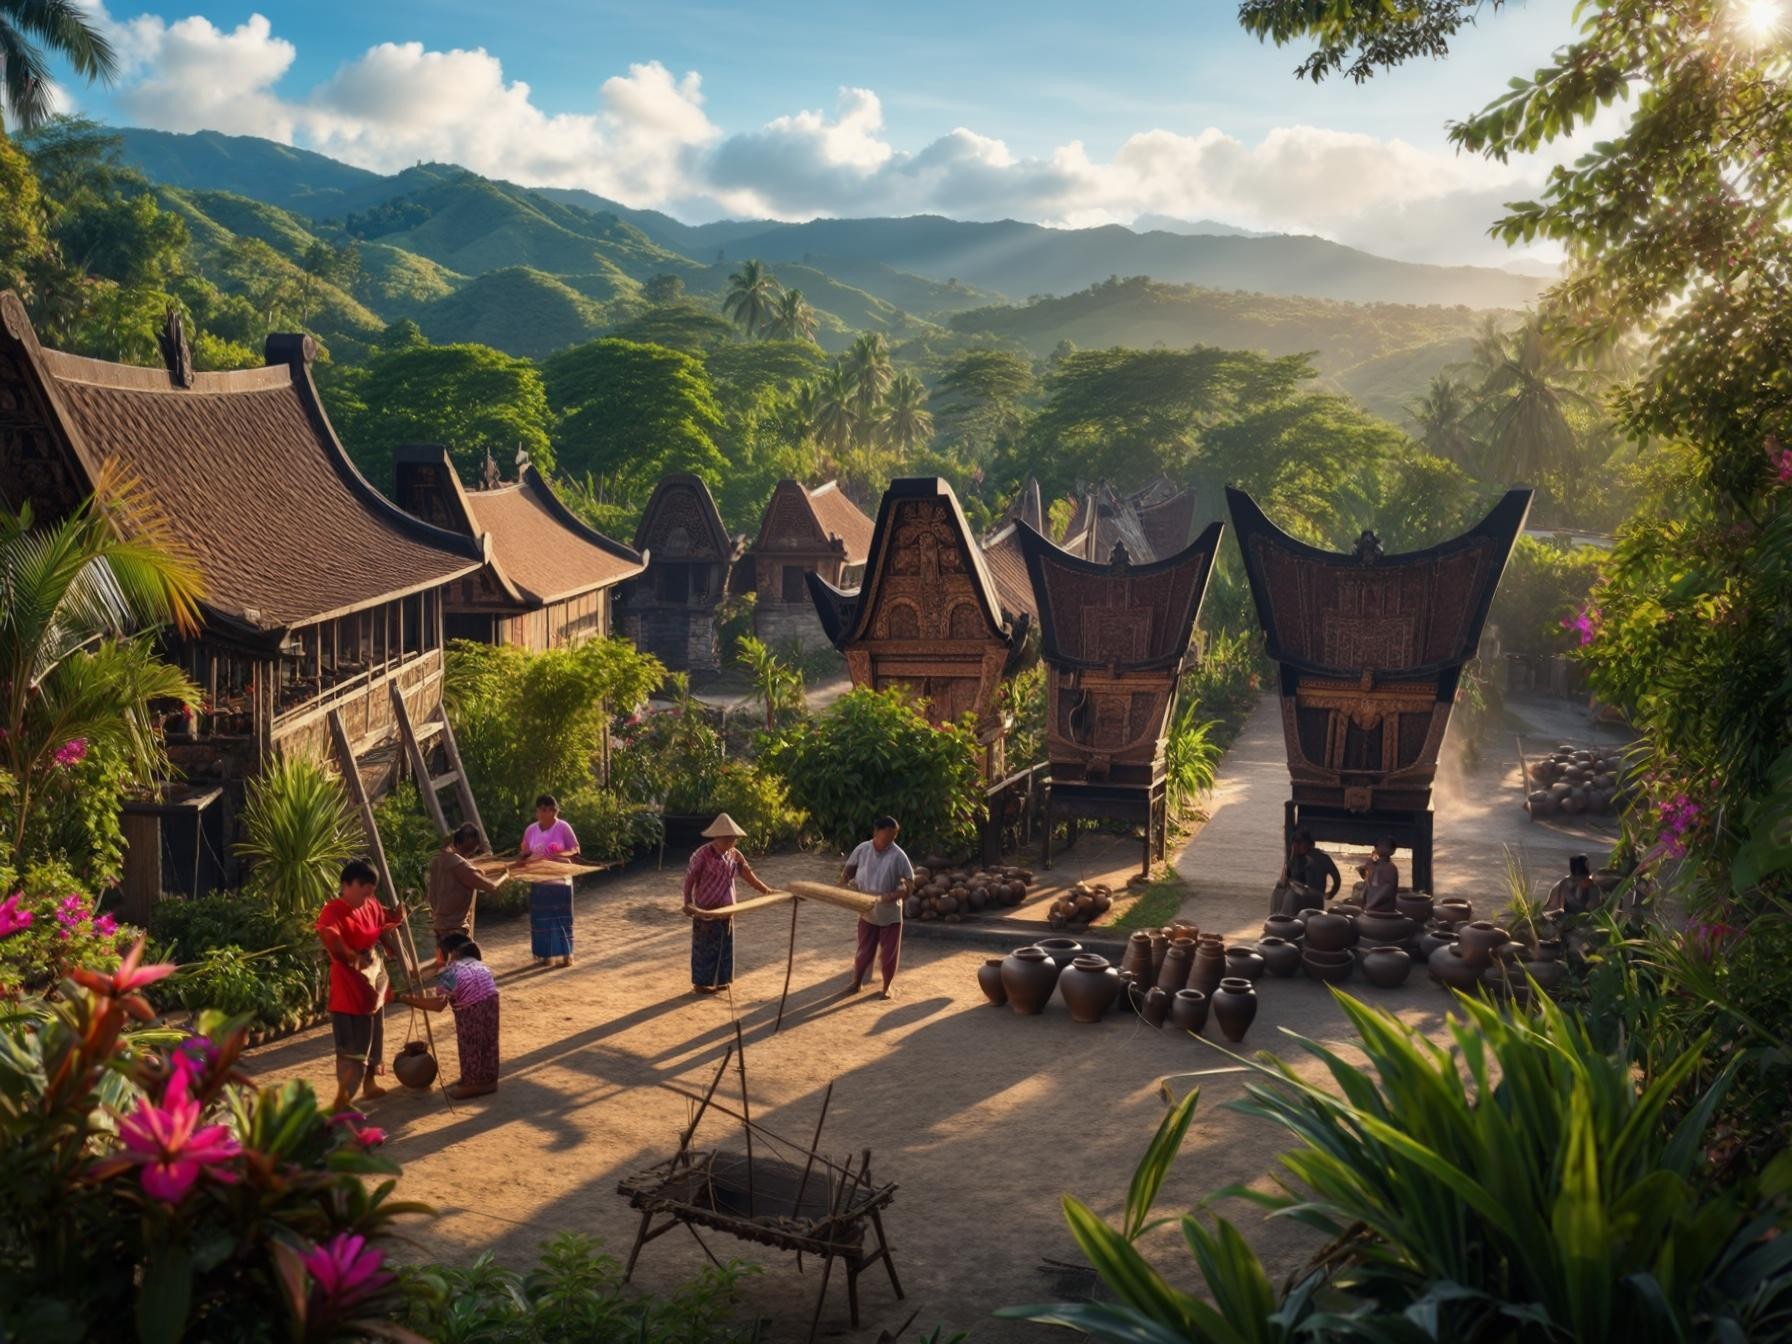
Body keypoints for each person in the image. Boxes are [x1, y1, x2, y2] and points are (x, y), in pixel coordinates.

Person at [315, 859, 406, 1112]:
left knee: (375, 1029)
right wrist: (351, 956)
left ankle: (369, 1080)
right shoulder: (332, 911)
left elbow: (382, 922)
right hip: (347, 983)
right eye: (363, 890)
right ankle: (344, 1097)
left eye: (371, 892)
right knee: (351, 1042)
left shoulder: (371, 904)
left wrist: (397, 917)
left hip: (372, 976)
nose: (367, 896)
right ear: (346, 885)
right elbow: (329, 934)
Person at [395, 933, 500, 1100]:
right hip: (490, 1004)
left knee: (470, 1045)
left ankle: (472, 1084)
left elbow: (438, 1005)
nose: (436, 957)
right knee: (488, 1043)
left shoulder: (451, 972)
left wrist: (406, 1000)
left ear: (449, 953)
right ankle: (488, 1080)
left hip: (470, 1011)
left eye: (437, 952)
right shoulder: (478, 964)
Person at [681, 813, 774, 994]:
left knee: (725, 947)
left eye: (733, 839)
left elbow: (747, 874)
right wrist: (687, 902)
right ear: (717, 837)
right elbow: (689, 878)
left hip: (727, 910)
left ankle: (722, 980)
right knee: (705, 948)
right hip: (706, 910)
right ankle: (701, 984)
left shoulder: (734, 855)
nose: (731, 842)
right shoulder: (702, 855)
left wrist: (766, 890)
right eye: (728, 838)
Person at [842, 816, 914, 1000]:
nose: (891, 839)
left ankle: (887, 987)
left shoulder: (898, 855)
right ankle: (856, 982)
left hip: (889, 912)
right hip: (866, 909)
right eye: (887, 834)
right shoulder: (863, 849)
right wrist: (841, 885)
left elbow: (910, 886)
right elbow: (849, 870)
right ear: (876, 832)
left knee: (889, 953)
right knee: (864, 950)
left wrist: (895, 894)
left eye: (894, 835)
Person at [426, 823, 506, 965]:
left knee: (448, 968)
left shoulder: (439, 859)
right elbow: (489, 886)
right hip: (453, 929)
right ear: (468, 839)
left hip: (440, 925)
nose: (476, 847)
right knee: (468, 965)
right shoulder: (458, 864)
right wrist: (504, 875)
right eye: (475, 842)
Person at [517, 794, 580, 967]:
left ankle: (567, 954)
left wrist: (558, 854)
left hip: (560, 879)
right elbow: (524, 850)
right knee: (542, 919)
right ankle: (546, 955)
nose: (542, 813)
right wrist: (522, 859)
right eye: (540, 810)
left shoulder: (563, 827)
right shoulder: (531, 830)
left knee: (562, 918)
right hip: (539, 880)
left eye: (546, 810)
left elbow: (575, 849)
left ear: (554, 811)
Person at [1274, 827, 1341, 915]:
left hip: (1312, 898)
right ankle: (1278, 918)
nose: (1297, 845)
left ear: (1309, 843)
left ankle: (1282, 918)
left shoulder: (1318, 858)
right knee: (1280, 891)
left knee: (1289, 894)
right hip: (1307, 898)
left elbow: (1337, 879)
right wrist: (1331, 893)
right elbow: (1285, 881)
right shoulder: (1296, 859)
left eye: (1300, 842)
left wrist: (1331, 894)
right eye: (1295, 842)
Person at [1355, 837, 1400, 913]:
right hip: (1369, 906)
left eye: (1385, 845)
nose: (1380, 847)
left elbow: (1387, 890)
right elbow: (1365, 876)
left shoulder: (1391, 868)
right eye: (1378, 845)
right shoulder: (1373, 863)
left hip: (1382, 909)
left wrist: (1371, 905)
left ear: (1392, 851)